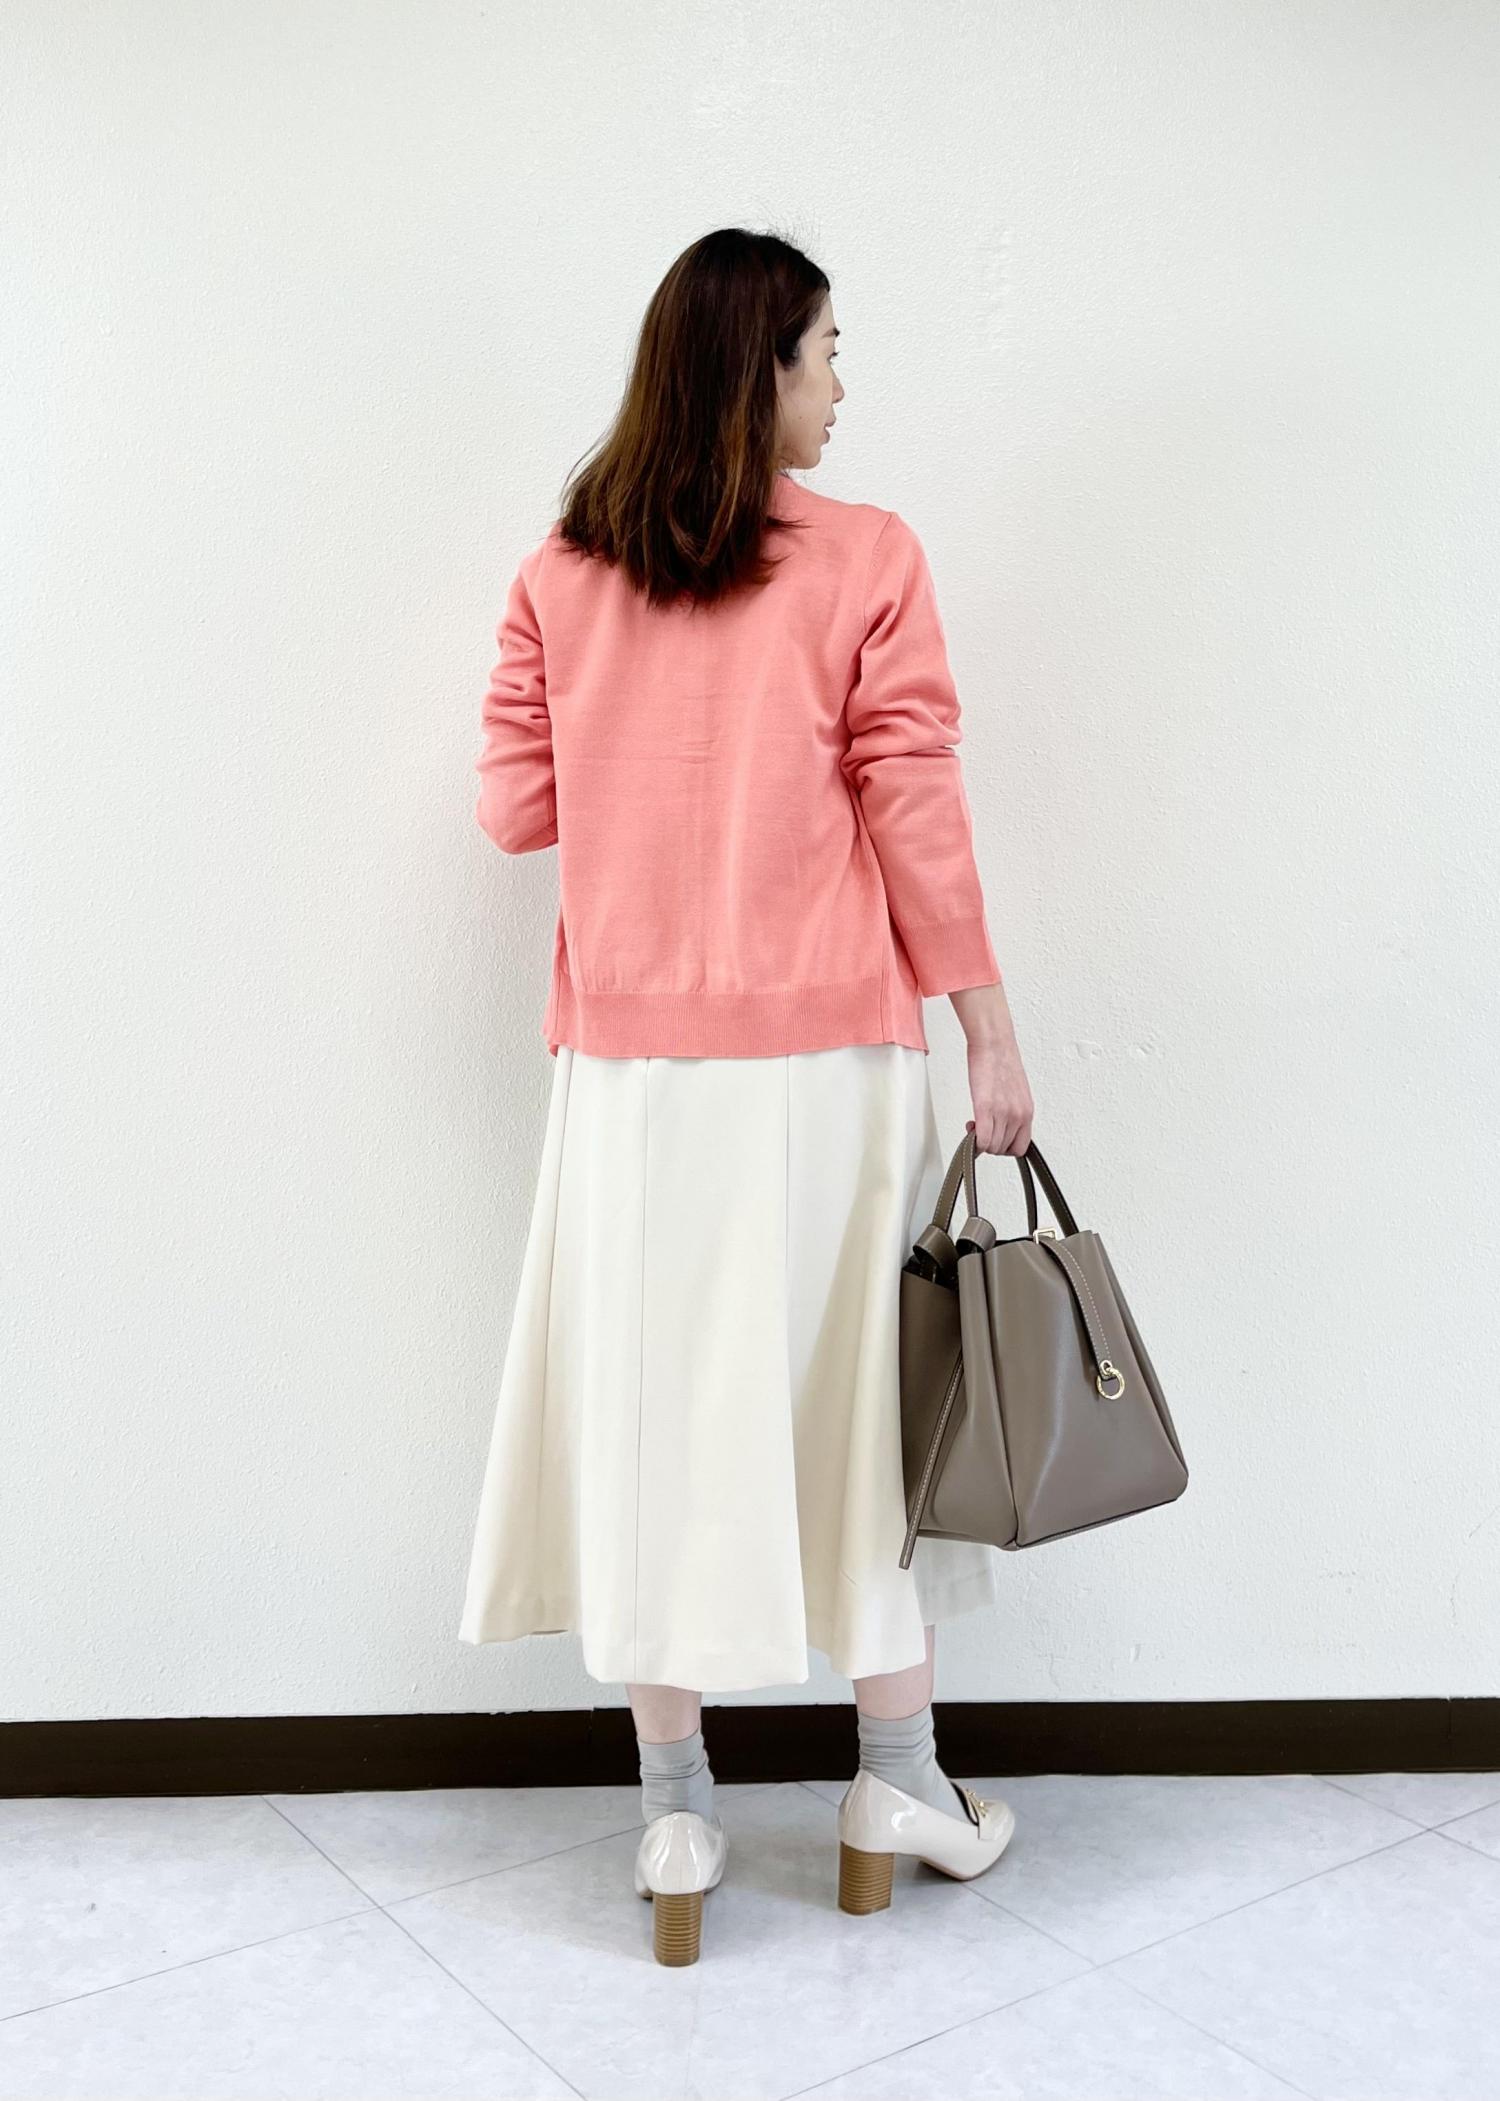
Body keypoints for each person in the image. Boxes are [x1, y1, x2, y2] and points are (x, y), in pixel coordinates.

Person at [457, 228, 1035, 1965]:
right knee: (859, 1410)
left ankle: (676, 1818)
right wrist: (990, 1030)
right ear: (759, 367)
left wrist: (634, 739)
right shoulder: (870, 557)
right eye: (827, 351)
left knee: (657, 1417)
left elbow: (512, 810)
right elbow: (913, 802)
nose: (843, 383)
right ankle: (895, 1785)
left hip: (634, 1070)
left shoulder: (563, 574)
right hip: (832, 1058)